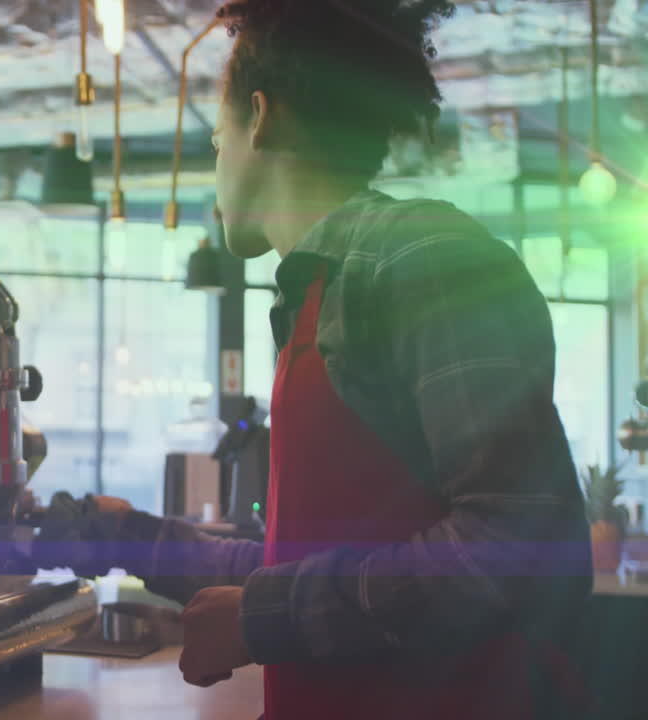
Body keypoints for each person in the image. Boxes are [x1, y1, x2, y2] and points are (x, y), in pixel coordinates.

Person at [95, 1, 593, 718]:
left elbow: (523, 547)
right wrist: (124, 538)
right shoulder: (320, 292)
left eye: (216, 140)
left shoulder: (423, 256)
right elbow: (312, 563)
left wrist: (262, 618)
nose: (216, 166)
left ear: (260, 118)